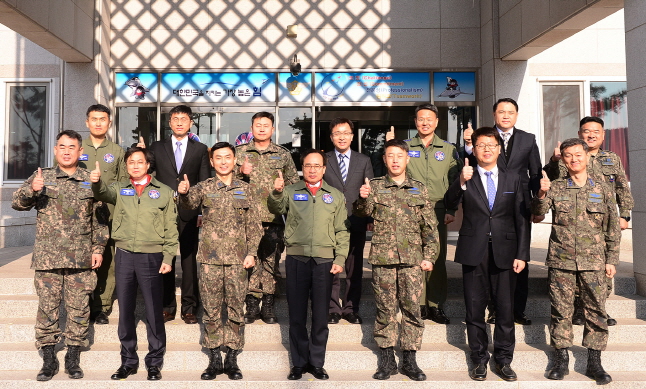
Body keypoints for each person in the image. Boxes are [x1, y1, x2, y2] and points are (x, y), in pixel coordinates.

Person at [12, 130, 109, 381]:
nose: (66, 151)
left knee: (79, 308)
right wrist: (31, 190)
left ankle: (73, 355)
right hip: (48, 257)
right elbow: (17, 203)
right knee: (47, 308)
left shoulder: (90, 180)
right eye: (62, 146)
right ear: (56, 150)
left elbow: (100, 220)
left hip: (80, 258)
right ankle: (48, 358)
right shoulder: (42, 176)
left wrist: (98, 248)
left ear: (80, 152)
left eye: (72, 147)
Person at [532, 138, 620, 385]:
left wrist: (611, 259)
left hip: (594, 263)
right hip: (562, 262)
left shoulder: (603, 188)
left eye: (578, 155)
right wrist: (540, 193)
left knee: (596, 312)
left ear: (586, 156)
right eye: (568, 156)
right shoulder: (556, 187)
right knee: (561, 312)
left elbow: (612, 228)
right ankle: (561, 360)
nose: (574, 159)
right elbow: (537, 216)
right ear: (563, 159)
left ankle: (595, 362)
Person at [445, 127, 529, 382]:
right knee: (474, 308)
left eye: (491, 145)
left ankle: (504, 360)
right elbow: (449, 202)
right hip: (474, 251)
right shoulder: (466, 175)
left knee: (505, 309)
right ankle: (479, 359)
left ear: (499, 149)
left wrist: (522, 254)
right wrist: (460, 181)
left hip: (506, 251)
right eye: (481, 145)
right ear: (474, 149)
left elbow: (522, 219)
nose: (487, 149)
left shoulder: (513, 177)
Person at [354, 139, 439, 381]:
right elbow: (363, 212)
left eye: (399, 156)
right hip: (383, 258)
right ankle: (387, 358)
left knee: (412, 309)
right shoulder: (376, 186)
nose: (394, 160)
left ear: (407, 158)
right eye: (390, 156)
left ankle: (410, 358)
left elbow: (430, 227)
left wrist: (430, 256)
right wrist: (362, 198)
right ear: (384, 159)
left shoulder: (419, 188)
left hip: (412, 259)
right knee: (385, 310)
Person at [91, 146, 177, 381]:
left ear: (148, 165)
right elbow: (102, 194)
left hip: (152, 257)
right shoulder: (120, 188)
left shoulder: (164, 192)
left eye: (140, 162)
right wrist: (97, 182)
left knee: (153, 311)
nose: (136, 165)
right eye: (131, 162)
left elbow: (171, 228)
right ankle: (128, 361)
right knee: (126, 311)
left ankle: (154, 362)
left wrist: (168, 257)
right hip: (125, 255)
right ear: (126, 166)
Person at [177, 142, 262, 381]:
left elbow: (254, 227)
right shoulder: (204, 187)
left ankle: (232, 357)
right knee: (212, 311)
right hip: (210, 260)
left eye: (227, 157)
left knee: (236, 309)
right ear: (212, 162)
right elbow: (188, 205)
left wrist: (251, 253)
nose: (223, 161)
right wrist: (183, 193)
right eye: (218, 158)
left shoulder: (246, 189)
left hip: (238, 261)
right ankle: (214, 357)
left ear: (235, 160)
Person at [267, 149, 349, 381]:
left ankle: (317, 362)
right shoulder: (291, 191)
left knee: (321, 315)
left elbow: (342, 230)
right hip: (297, 259)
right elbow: (275, 208)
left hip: (324, 261)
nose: (312, 169)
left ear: (324, 169)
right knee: (297, 315)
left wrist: (340, 258)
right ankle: (298, 363)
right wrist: (276, 192)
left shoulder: (335, 195)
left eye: (317, 166)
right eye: (308, 166)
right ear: (302, 168)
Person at [543, 116, 633, 326]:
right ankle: (578, 310)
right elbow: (549, 179)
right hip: (574, 220)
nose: (591, 135)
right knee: (574, 269)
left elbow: (621, 187)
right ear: (579, 134)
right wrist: (555, 160)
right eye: (586, 131)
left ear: (603, 135)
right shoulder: (568, 157)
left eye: (596, 131)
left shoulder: (611, 159)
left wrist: (624, 214)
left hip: (602, 220)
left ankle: (599, 309)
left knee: (601, 271)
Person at [464, 98, 541, 326]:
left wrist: (537, 204)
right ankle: (493, 309)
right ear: (494, 114)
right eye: (501, 112)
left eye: (510, 112)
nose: (506, 116)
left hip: (518, 205)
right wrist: (468, 146)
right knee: (489, 261)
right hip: (487, 203)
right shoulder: (483, 138)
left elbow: (535, 173)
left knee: (519, 256)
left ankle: (517, 309)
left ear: (516, 115)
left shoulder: (528, 139)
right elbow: (467, 165)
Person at [386, 103, 460, 324]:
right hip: (409, 209)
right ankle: (418, 304)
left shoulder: (449, 149)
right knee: (413, 258)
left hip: (438, 210)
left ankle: (436, 305)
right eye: (420, 119)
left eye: (429, 119)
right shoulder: (406, 147)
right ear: (415, 122)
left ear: (436, 122)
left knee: (436, 258)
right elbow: (394, 173)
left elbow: (456, 182)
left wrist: (451, 209)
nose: (425, 122)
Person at [138, 104, 210, 324]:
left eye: (184, 119)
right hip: (163, 211)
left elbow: (205, 182)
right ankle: (167, 306)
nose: (179, 122)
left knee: (189, 260)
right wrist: (140, 152)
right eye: (175, 119)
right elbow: (145, 172)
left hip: (190, 211)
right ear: (169, 123)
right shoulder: (157, 147)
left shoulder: (200, 149)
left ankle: (189, 307)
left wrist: (202, 213)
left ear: (190, 123)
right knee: (165, 258)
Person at [236, 111, 300, 324]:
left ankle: (269, 304)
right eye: (257, 125)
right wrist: (241, 172)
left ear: (273, 129)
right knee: (250, 261)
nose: (262, 128)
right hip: (246, 218)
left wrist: (283, 188)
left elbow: (293, 184)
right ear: (251, 128)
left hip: (273, 218)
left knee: (271, 262)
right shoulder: (240, 153)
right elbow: (227, 180)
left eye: (266, 125)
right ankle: (252, 304)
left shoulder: (283, 154)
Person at [76, 104, 127, 325]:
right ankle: (81, 304)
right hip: (78, 213)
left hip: (108, 214)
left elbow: (124, 183)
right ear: (87, 122)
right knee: (81, 258)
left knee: (107, 261)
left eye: (102, 119)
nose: (98, 122)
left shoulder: (116, 151)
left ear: (109, 123)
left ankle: (102, 307)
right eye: (94, 119)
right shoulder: (76, 147)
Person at [324, 118, 374, 325]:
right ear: (331, 137)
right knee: (332, 267)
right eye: (337, 133)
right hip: (329, 223)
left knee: (354, 268)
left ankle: (351, 308)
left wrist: (370, 217)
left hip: (357, 220)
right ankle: (332, 308)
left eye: (345, 133)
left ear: (352, 136)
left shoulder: (363, 160)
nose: (341, 137)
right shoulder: (324, 159)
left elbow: (370, 190)